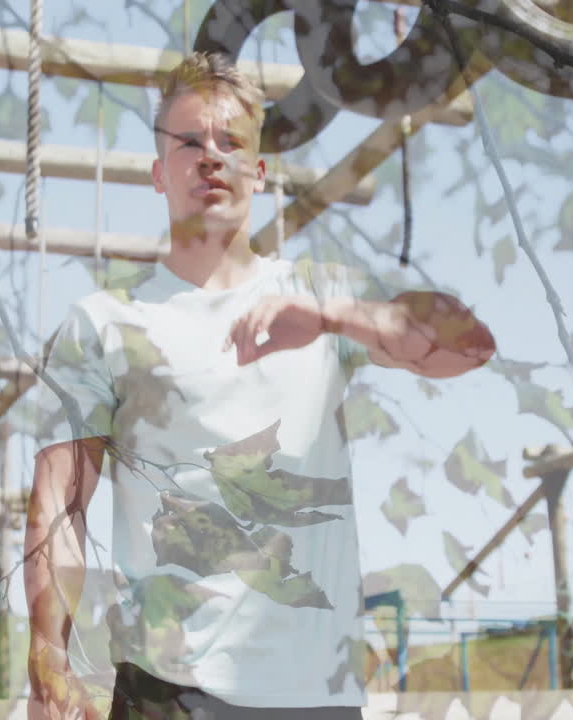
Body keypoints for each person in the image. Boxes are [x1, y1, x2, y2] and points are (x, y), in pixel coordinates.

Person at [25, 51, 496, 720]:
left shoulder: (326, 294)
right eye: (189, 142)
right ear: (159, 174)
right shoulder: (100, 323)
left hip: (314, 698)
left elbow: (470, 348)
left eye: (231, 143)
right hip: (167, 690)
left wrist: (340, 316)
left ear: (260, 171)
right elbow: (58, 508)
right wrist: (48, 659)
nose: (210, 157)